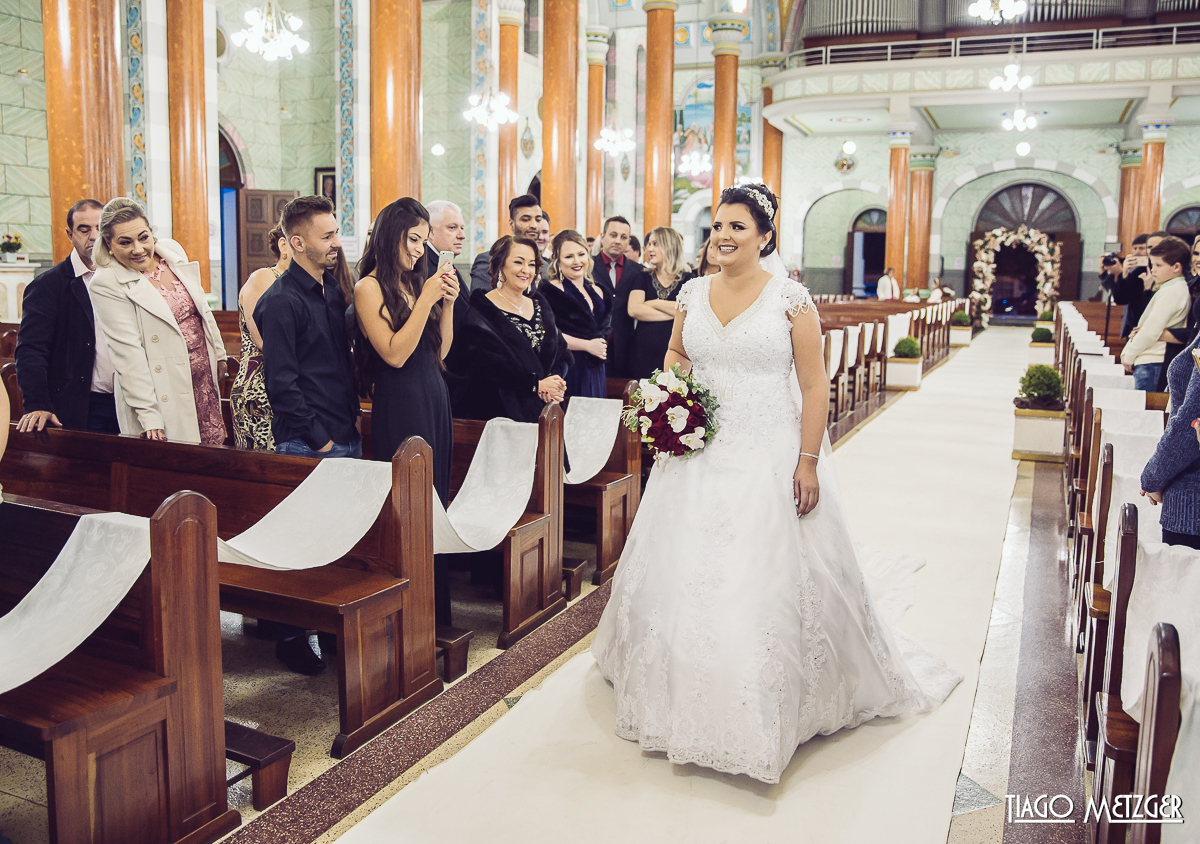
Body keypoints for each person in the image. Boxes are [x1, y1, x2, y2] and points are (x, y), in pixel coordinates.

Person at [591, 183, 960, 784]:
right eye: (718, 226)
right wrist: (673, 398)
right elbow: (678, 354)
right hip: (699, 449)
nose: (724, 236)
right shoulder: (691, 292)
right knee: (684, 564)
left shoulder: (791, 300)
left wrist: (808, 459)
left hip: (768, 450)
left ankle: (766, 693)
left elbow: (814, 387)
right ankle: (676, 677)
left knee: (761, 572)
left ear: (765, 237)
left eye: (738, 227)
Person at [353, 198, 458, 627]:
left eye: (422, 240)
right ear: (390, 235)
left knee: (436, 500)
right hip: (400, 401)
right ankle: (409, 616)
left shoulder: (416, 284)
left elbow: (439, 353)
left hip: (433, 394)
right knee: (409, 507)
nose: (419, 249)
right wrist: (425, 299)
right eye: (413, 240)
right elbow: (395, 355)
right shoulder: (368, 288)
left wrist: (445, 305)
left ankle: (436, 614)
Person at [88, 198, 227, 444]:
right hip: (161, 390)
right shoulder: (106, 282)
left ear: (152, 234)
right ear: (108, 244)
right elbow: (127, 354)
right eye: (125, 242)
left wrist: (219, 353)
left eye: (143, 238)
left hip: (201, 379)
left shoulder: (172, 252)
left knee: (212, 459)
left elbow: (202, 308)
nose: (138, 249)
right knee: (176, 465)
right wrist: (149, 416)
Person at [255, 195, 361, 461]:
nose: (337, 243)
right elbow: (281, 385)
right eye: (327, 237)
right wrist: (320, 440)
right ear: (298, 243)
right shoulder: (280, 301)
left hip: (345, 433)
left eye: (336, 233)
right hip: (308, 444)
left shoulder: (333, 290)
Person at [14, 199, 119, 434]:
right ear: (69, 234)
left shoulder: (125, 278)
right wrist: (38, 404)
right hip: (82, 405)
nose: (94, 236)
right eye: (84, 229)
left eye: (100, 228)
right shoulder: (47, 286)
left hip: (129, 402)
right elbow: (31, 350)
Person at [449, 235, 570, 422]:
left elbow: (561, 353)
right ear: (500, 266)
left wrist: (553, 382)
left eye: (531, 264)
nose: (526, 270)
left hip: (546, 411)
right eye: (518, 262)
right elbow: (485, 366)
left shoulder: (540, 305)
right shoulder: (481, 311)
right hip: (502, 414)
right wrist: (535, 385)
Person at [230, 224, 290, 450]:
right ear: (283, 246)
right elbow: (265, 341)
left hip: (286, 385)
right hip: (259, 387)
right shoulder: (265, 277)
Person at [541, 229, 611, 399]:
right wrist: (587, 345)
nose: (577, 261)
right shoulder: (550, 290)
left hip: (596, 368)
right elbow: (549, 334)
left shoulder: (598, 290)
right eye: (569, 256)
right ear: (557, 261)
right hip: (569, 366)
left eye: (581, 254)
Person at [1120, 236, 1192, 391]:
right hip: (1150, 359)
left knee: (1144, 413)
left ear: (1176, 267)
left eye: (1159, 265)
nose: (1153, 269)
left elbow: (1151, 330)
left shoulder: (1172, 291)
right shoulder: (1170, 288)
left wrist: (1129, 355)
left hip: (1152, 360)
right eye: (1152, 264)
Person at [625, 226, 693, 379]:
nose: (649, 248)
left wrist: (653, 303)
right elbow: (634, 309)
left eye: (655, 244)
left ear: (669, 245)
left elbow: (691, 313)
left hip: (677, 355)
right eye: (649, 244)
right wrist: (676, 313)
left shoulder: (688, 279)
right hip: (642, 354)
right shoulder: (642, 277)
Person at [471, 195, 542, 292]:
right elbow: (479, 301)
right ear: (511, 224)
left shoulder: (545, 266)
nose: (534, 225)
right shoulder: (488, 259)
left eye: (538, 220)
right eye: (525, 219)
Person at [424, 199, 471, 333]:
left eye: (462, 228)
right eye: (452, 227)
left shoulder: (444, 262)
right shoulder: (424, 267)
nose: (462, 235)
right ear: (430, 232)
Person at [592, 216, 645, 295]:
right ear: (602, 237)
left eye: (623, 237)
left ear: (628, 241)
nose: (618, 241)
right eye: (613, 235)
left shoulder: (640, 271)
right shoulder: (588, 266)